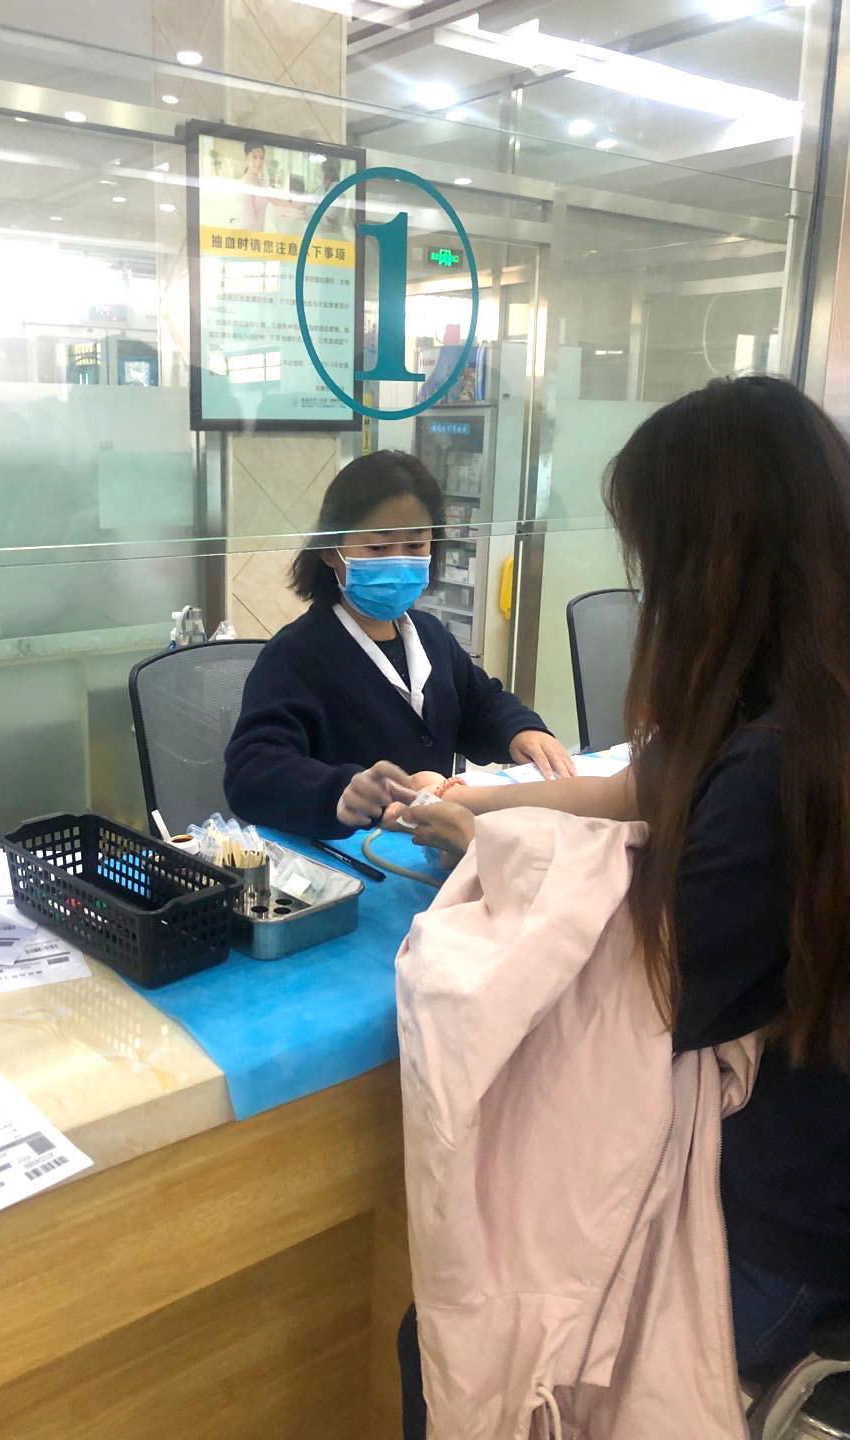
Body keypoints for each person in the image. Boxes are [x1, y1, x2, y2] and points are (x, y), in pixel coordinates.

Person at [388, 375, 850, 1429]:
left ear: (715, 566)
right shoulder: (809, 708)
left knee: (464, 1333)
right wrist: (490, 799)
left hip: (786, 1227)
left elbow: (631, 985)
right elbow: (653, 780)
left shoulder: (780, 774)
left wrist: (488, 847)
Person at [223, 451, 573, 839]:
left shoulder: (430, 636)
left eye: (415, 545)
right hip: (347, 854)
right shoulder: (295, 656)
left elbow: (480, 704)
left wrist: (520, 731)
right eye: (378, 548)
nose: (399, 561)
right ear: (329, 551)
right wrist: (338, 791)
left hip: (432, 843)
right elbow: (251, 773)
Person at [235, 138, 268, 231]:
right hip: (248, 237)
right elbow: (249, 223)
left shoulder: (262, 184)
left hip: (258, 236)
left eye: (261, 158)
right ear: (246, 158)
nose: (258, 163)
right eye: (254, 157)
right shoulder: (244, 186)